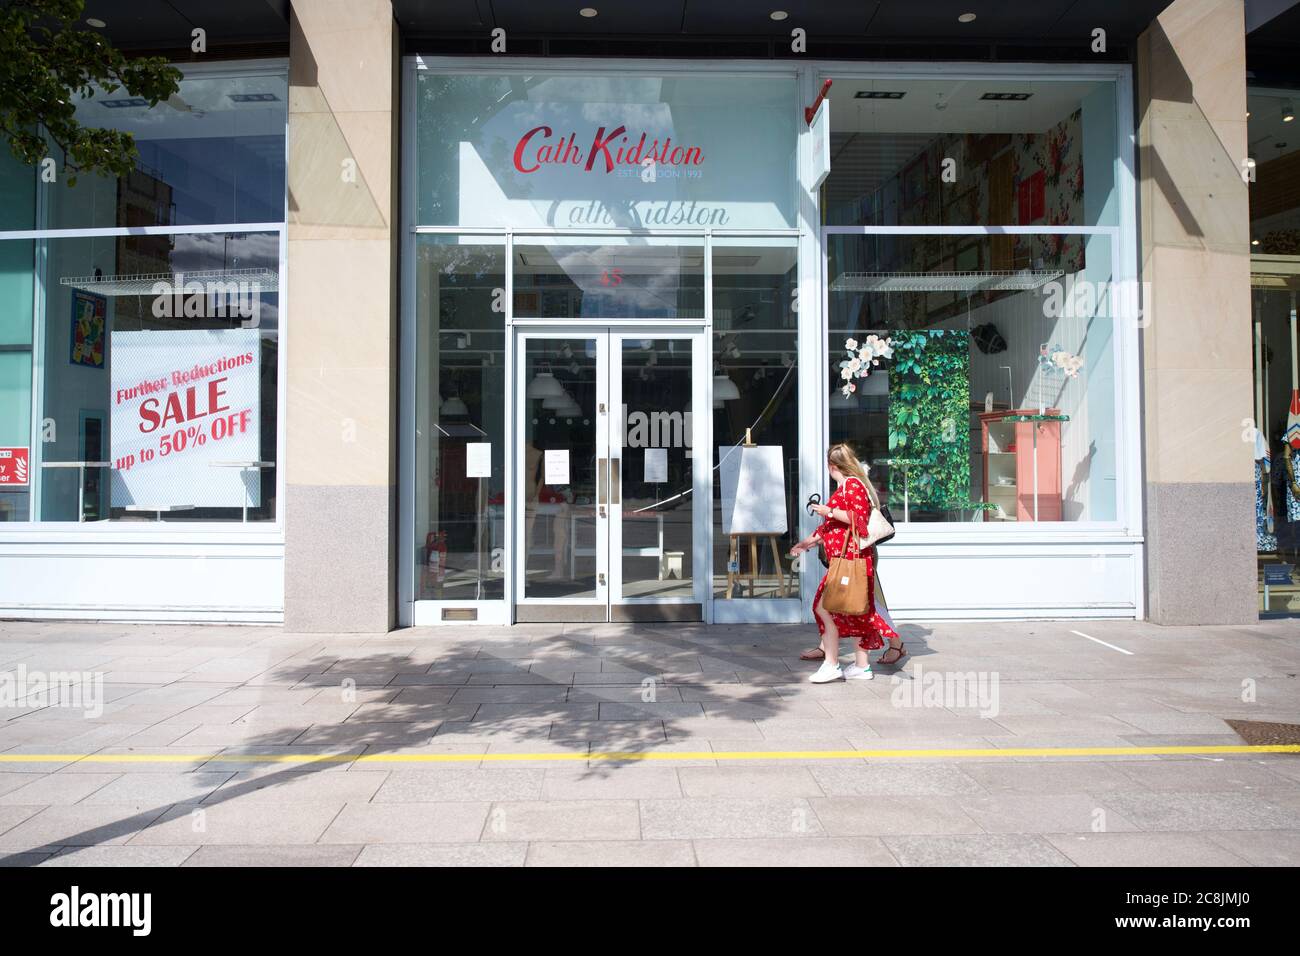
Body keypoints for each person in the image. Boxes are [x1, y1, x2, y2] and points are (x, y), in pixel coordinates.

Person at [789, 443, 904, 683]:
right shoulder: (849, 486)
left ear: (832, 466)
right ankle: (861, 666)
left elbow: (858, 521)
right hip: (847, 561)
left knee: (825, 607)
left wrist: (828, 511)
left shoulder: (852, 486)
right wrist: (806, 544)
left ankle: (831, 663)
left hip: (851, 561)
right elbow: (830, 527)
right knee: (855, 610)